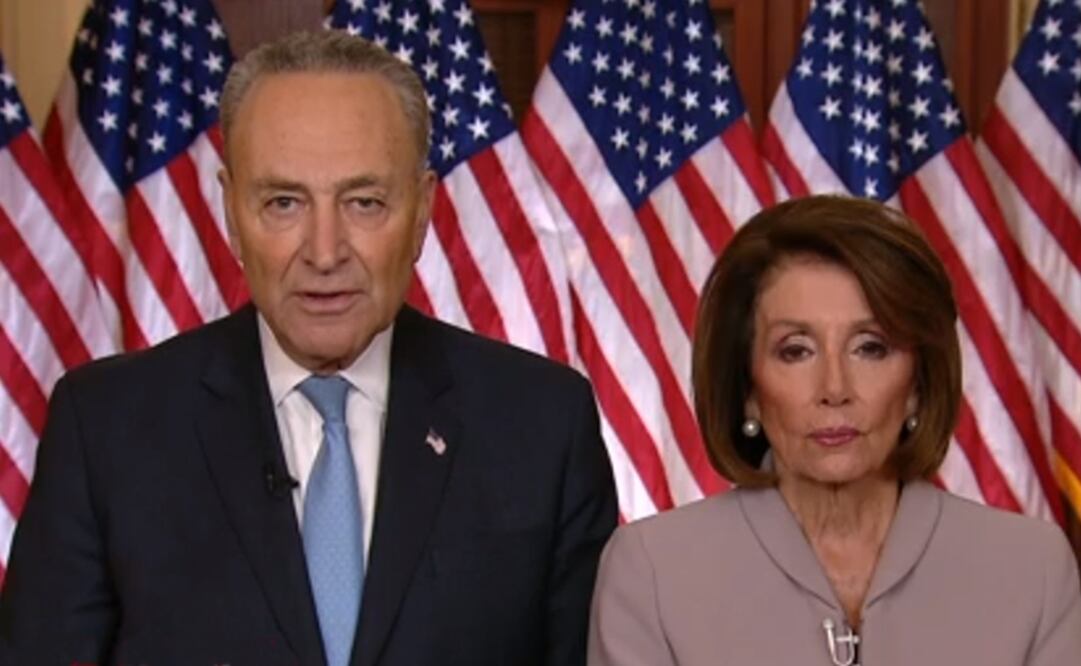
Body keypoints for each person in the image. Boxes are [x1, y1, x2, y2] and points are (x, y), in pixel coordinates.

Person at [0, 31, 617, 666]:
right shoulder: (106, 428)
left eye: (364, 202)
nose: (325, 252)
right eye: (284, 202)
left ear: (424, 210)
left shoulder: (543, 424)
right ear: (232, 212)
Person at [588, 195, 1081, 666]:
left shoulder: (1032, 569)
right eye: (796, 350)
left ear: (917, 383)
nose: (834, 388)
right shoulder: (654, 572)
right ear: (749, 388)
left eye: (870, 347)